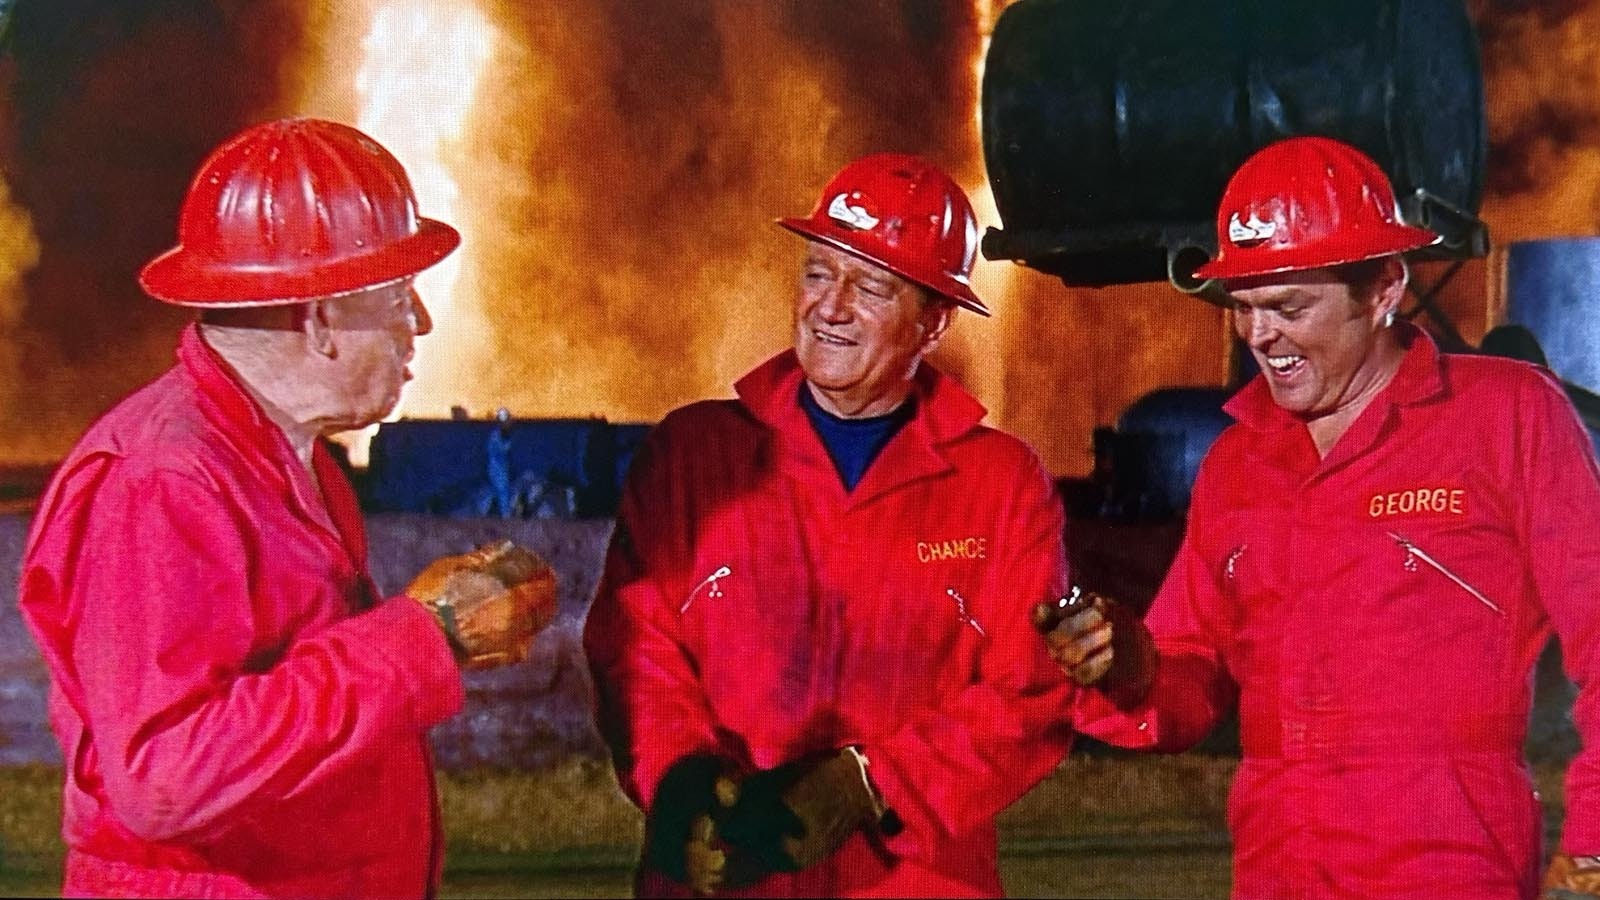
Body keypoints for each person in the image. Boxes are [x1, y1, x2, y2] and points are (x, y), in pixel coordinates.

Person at [1037, 135, 1600, 899]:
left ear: (1382, 290)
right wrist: (1122, 663)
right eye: (1243, 307)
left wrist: (1594, 841)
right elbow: (1188, 679)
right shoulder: (1239, 465)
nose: (1259, 336)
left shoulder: (1508, 415)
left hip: (1449, 859)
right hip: (1278, 861)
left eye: (1289, 307)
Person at [18, 118, 556, 898]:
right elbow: (166, 776)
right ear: (320, 318)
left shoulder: (285, 455)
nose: (421, 326)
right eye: (399, 296)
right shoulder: (165, 482)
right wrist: (422, 635)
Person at [584, 153, 1075, 897]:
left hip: (913, 880)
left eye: (871, 287)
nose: (830, 307)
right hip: (724, 871)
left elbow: (1032, 690)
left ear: (933, 323)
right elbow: (636, 646)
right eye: (818, 273)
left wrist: (871, 783)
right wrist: (682, 781)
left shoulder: (1000, 486)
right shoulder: (695, 458)